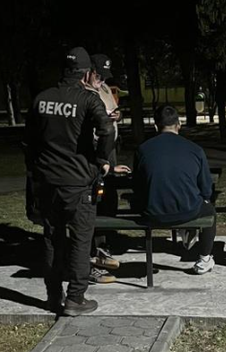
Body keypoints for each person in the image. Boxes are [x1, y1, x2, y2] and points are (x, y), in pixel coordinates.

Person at [24, 47, 115, 316]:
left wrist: (36, 168)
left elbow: (29, 140)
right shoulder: (88, 99)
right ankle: (75, 297)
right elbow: (106, 129)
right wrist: (101, 159)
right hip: (78, 181)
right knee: (80, 239)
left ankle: (54, 296)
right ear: (86, 73)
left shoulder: (42, 98)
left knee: (53, 239)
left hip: (47, 181)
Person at [133, 104, 216, 274]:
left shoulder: (142, 149)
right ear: (179, 124)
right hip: (188, 210)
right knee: (210, 211)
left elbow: (138, 185)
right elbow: (206, 189)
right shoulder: (195, 149)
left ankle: (186, 231)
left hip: (152, 212)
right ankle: (204, 258)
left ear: (156, 126)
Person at [81, 53, 124, 284]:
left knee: (109, 197)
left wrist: (117, 115)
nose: (102, 80)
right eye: (99, 75)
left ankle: (105, 243)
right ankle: (92, 253)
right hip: (94, 151)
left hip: (109, 149)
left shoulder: (104, 89)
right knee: (93, 200)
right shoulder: (84, 92)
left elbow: (113, 112)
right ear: (89, 72)